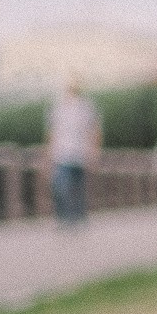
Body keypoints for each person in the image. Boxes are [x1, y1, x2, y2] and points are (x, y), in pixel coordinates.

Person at [46, 79, 101, 228]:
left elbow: (94, 130)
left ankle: (78, 217)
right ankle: (65, 218)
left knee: (77, 186)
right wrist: (50, 152)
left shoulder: (86, 107)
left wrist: (94, 151)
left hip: (80, 153)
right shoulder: (58, 107)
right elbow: (52, 132)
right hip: (62, 153)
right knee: (61, 185)